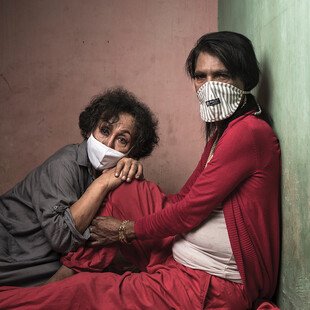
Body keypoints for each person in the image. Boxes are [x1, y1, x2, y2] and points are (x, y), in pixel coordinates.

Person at [0, 31, 281, 309]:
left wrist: (126, 230)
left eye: (220, 75)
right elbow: (186, 196)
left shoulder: (248, 132)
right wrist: (118, 196)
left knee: (87, 292)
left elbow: (189, 209)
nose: (208, 86)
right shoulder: (223, 131)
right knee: (127, 192)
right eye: (200, 76)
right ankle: (60, 281)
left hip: (208, 283)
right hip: (184, 252)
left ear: (244, 78)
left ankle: (48, 294)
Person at [0, 87, 159, 287]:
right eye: (104, 130)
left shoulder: (113, 172)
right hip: (10, 248)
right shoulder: (64, 163)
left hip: (41, 261)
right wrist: (103, 183)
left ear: (133, 150)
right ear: (91, 128)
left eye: (122, 140)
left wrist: (129, 174)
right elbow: (62, 237)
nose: (109, 143)